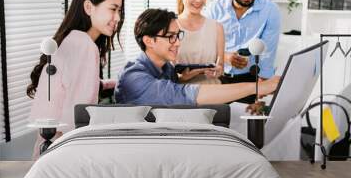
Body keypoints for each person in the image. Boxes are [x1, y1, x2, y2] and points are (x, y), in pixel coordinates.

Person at [27, 0, 125, 157]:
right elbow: (78, 112)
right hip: (65, 150)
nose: (118, 17)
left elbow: (68, 89)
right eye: (113, 9)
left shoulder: (71, 40)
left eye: (120, 10)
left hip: (49, 147)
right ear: (89, 7)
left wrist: (107, 84)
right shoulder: (85, 47)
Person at [114, 8, 279, 106]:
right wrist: (257, 87)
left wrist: (184, 77)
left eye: (178, 35)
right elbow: (183, 95)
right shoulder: (134, 77)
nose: (178, 43)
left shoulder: (166, 68)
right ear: (149, 41)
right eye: (170, 37)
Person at [203, 0, 281, 103]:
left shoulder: (271, 10)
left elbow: (267, 52)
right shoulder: (214, 9)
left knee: (246, 124)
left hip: (250, 80)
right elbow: (203, 44)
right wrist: (224, 56)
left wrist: (263, 83)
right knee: (218, 122)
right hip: (217, 79)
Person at [175, 0, 225, 84]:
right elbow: (166, 73)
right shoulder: (171, 27)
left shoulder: (217, 28)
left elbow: (220, 66)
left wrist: (218, 70)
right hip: (182, 95)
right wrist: (183, 77)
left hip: (213, 93)